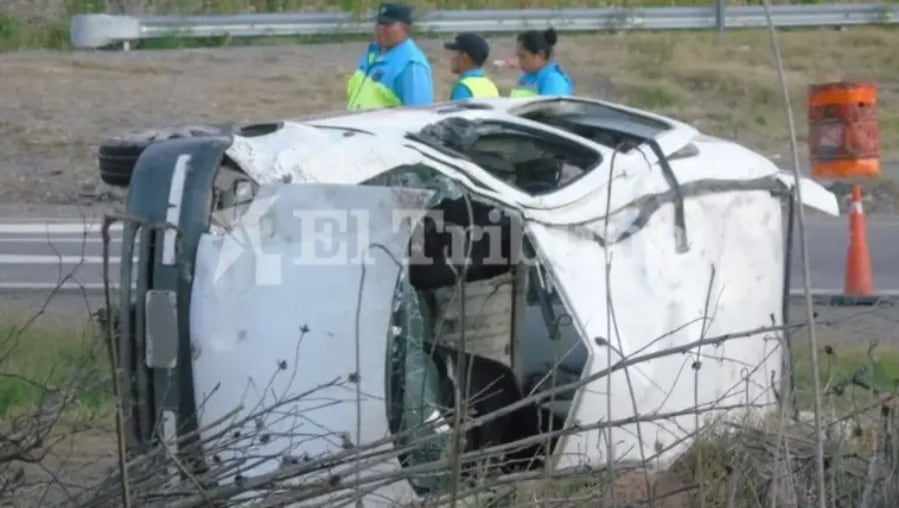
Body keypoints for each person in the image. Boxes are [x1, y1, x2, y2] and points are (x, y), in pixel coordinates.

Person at [346, 2, 433, 109]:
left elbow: (418, 116)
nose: (380, 28)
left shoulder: (411, 66)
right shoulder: (372, 53)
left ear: (404, 28)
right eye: (379, 23)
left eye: (387, 24)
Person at [509, 28, 573, 97]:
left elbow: (551, 106)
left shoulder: (554, 80)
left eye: (523, 57)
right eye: (518, 56)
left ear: (540, 55)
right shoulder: (526, 77)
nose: (519, 61)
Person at [443, 32, 500, 100]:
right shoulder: (491, 85)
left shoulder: (463, 87)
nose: (451, 58)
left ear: (465, 57)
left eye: (454, 52)